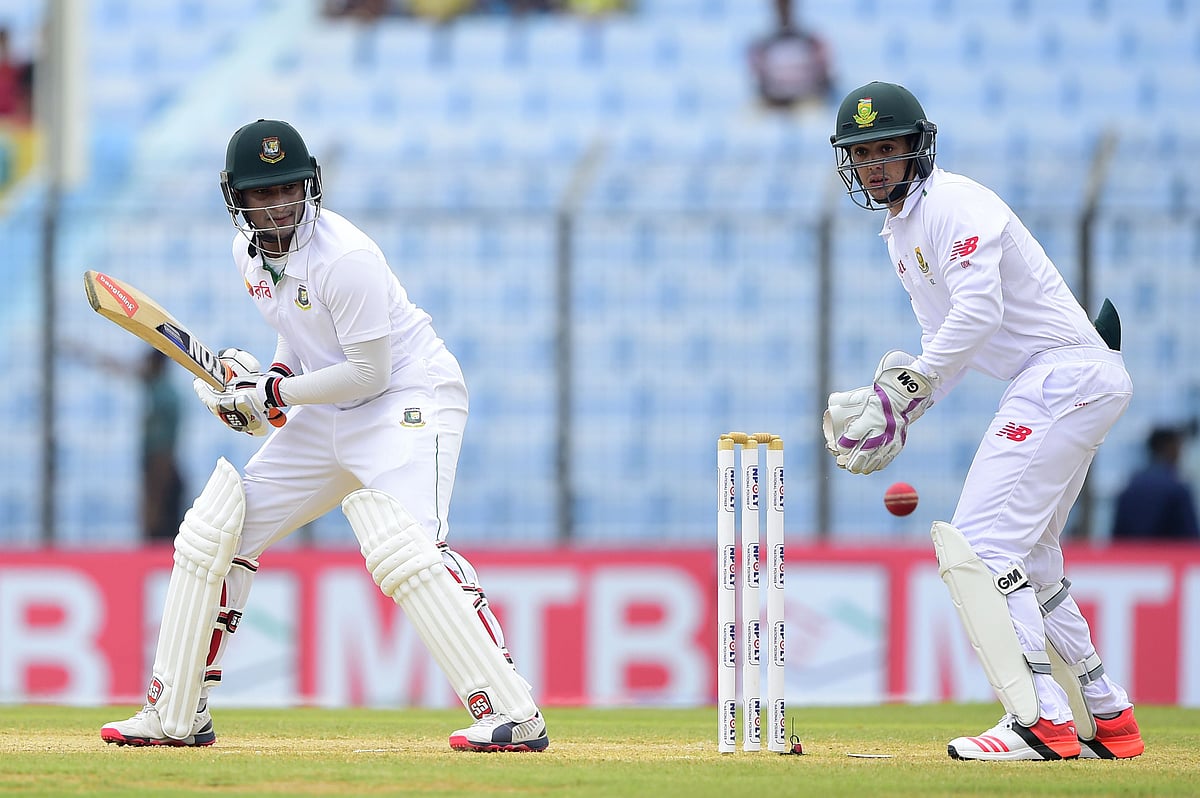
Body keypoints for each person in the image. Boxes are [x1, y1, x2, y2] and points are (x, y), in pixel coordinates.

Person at [100, 119, 548, 752]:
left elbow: (371, 371)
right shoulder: (247, 256)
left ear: (310, 185)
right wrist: (269, 383)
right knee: (214, 532)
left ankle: (513, 714)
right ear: (237, 199)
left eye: (288, 189)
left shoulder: (347, 258)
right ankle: (175, 712)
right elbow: (301, 336)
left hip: (407, 400)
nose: (278, 205)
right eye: (262, 194)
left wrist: (275, 395)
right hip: (332, 409)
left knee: (407, 551)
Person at [823, 82, 1143, 761]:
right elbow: (946, 337)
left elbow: (978, 316)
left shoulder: (957, 204)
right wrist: (901, 407)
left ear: (919, 148)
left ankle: (1038, 720)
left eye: (888, 149)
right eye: (863, 154)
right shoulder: (901, 231)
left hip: (1061, 374)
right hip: (1058, 380)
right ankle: (1107, 715)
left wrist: (914, 384)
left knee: (979, 547)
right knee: (1032, 557)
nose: (876, 165)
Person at [1111, 425, 1200, 541]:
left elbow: (1117, 538)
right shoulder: (1177, 489)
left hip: (1133, 557)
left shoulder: (1130, 487)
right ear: (1170, 448)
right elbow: (1190, 539)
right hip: (1168, 557)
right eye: (1178, 447)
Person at [747, 0, 833, 112]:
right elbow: (759, 81)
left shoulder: (812, 42)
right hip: (772, 101)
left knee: (812, 115)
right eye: (779, 5)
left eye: (786, 4)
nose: (783, 9)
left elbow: (824, 77)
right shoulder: (762, 44)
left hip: (806, 99)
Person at [138, 350, 185, 541]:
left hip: (162, 475)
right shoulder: (156, 388)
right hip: (162, 472)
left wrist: (153, 502)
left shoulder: (164, 397)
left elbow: (163, 449)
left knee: (160, 533)